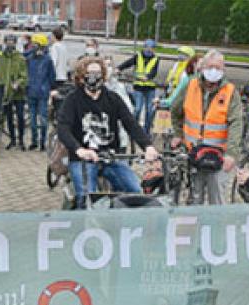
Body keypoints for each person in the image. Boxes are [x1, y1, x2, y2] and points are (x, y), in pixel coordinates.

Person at [57, 57, 158, 209]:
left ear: (103, 75)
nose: (93, 77)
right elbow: (63, 128)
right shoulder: (72, 100)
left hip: (111, 157)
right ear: (81, 76)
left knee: (135, 192)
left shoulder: (113, 99)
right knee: (86, 199)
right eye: (89, 73)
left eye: (97, 73)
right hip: (83, 159)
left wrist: (148, 146)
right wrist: (79, 150)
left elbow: (131, 123)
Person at [169, 49, 244, 205]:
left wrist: (231, 153)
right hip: (193, 152)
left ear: (223, 70)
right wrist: (178, 134)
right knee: (194, 198)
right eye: (210, 67)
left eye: (218, 67)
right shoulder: (190, 85)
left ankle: (216, 221)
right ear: (202, 68)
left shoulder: (230, 91)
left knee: (217, 198)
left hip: (219, 156)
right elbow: (175, 110)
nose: (213, 71)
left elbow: (236, 123)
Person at [118, 39, 160, 134]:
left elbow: (154, 71)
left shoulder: (156, 59)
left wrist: (148, 77)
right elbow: (128, 63)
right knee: (137, 109)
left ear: (154, 49)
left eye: (151, 48)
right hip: (138, 87)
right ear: (144, 47)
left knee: (150, 111)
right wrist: (119, 68)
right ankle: (134, 129)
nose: (149, 49)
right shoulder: (138, 56)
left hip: (150, 87)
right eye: (147, 47)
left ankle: (146, 132)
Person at [0, 34, 27, 150]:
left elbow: (24, 75)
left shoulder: (20, 58)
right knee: (8, 118)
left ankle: (21, 140)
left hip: (18, 93)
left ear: (15, 43)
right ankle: (12, 139)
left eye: (12, 41)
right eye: (8, 41)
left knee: (20, 117)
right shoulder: (1, 58)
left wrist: (18, 83)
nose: (10, 43)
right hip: (6, 93)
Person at [25, 34, 55, 151]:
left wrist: (49, 89)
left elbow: (52, 77)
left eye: (35, 44)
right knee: (32, 120)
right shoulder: (30, 58)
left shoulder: (47, 60)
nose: (33, 46)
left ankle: (42, 142)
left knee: (43, 119)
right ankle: (34, 141)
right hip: (31, 92)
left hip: (42, 94)